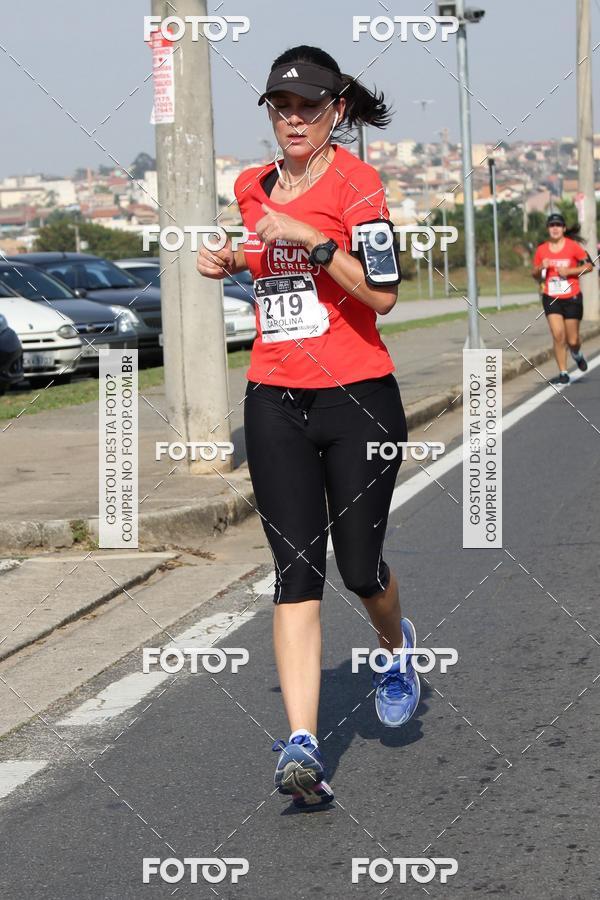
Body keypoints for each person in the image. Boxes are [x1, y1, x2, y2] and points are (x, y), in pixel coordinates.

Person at [197, 46, 419, 808]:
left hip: (357, 398)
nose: (293, 118)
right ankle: (303, 746)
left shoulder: (361, 186)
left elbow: (384, 296)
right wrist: (236, 257)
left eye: (308, 107)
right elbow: (270, 265)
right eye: (280, 107)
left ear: (338, 113)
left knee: (360, 570)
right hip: (273, 398)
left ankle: (397, 649)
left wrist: (317, 241)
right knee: (296, 570)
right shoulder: (251, 185)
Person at [532, 212, 593, 385]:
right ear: (548, 229)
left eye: (558, 225)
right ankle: (563, 372)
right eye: (552, 225)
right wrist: (539, 268)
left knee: (572, 340)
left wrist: (570, 271)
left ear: (564, 228)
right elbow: (535, 275)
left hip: (572, 296)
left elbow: (589, 266)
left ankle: (576, 353)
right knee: (558, 335)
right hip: (551, 297)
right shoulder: (541, 249)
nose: (555, 228)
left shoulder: (573, 246)